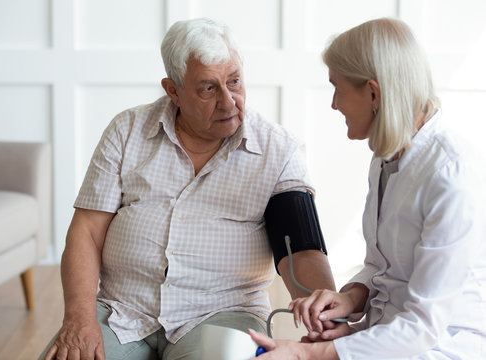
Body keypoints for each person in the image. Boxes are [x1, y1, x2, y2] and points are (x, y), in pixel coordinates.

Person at [40, 17, 336, 360]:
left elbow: (300, 248)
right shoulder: (127, 130)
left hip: (222, 313)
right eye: (208, 88)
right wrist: (79, 318)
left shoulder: (278, 150)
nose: (229, 101)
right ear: (173, 91)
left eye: (235, 81)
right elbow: (87, 232)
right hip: (124, 311)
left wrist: (329, 316)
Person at [249, 17, 486, 359]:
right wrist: (349, 298)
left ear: (373, 93)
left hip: (443, 348)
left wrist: (313, 354)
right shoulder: (386, 158)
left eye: (337, 87)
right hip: (393, 338)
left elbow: (422, 327)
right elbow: (381, 266)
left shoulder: (451, 176)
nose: (333, 104)